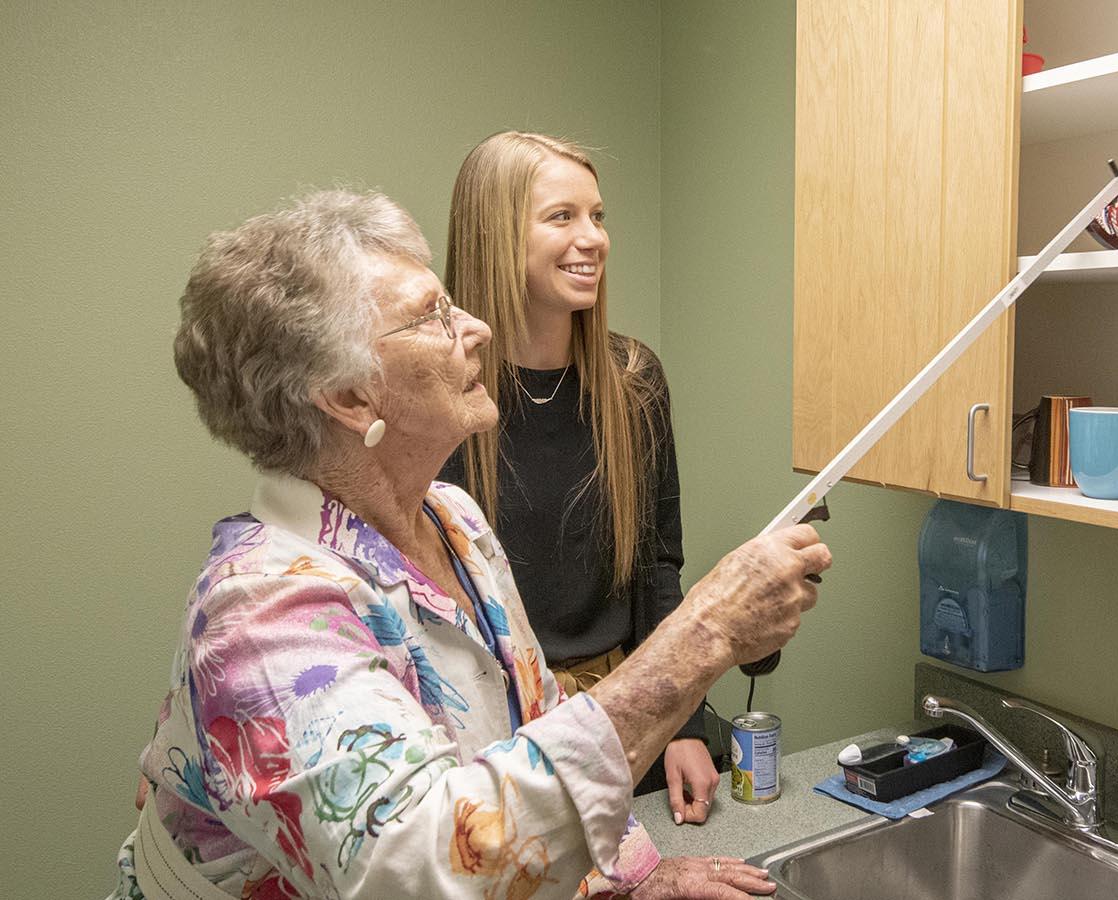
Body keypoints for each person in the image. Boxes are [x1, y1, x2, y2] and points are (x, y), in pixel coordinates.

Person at [111, 190, 829, 900]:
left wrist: (636, 875)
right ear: (350, 397)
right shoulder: (262, 617)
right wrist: (705, 633)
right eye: (432, 316)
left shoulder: (453, 518)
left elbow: (538, 718)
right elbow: (425, 872)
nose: (477, 328)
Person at [442, 131, 716, 825]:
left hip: (622, 720)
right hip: (485, 742)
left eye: (598, 216)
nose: (593, 238)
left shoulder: (632, 383)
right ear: (495, 234)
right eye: (562, 217)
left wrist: (682, 723)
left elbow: (657, 568)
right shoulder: (442, 395)